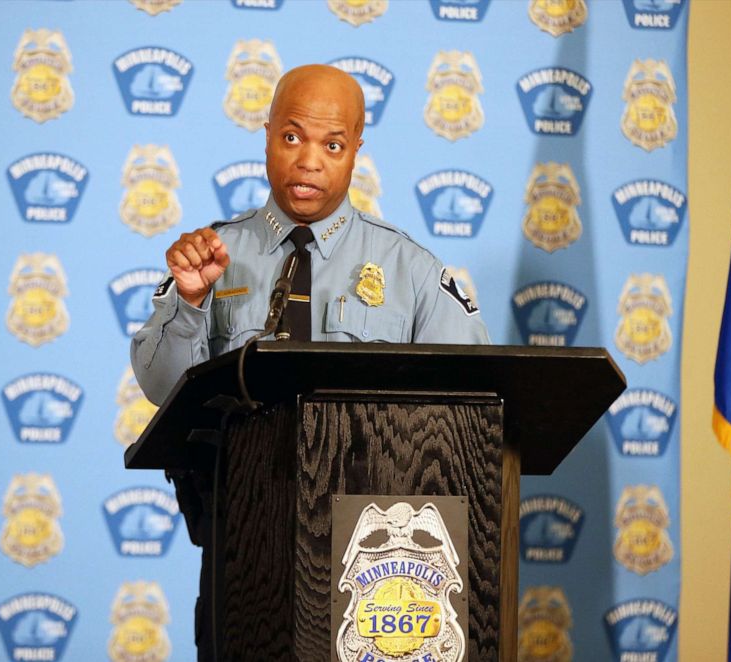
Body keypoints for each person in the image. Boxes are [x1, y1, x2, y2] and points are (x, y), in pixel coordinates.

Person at [129, 63, 490, 660]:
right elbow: (160, 386)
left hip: (382, 564)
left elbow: (471, 408)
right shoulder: (210, 253)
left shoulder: (413, 270)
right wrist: (191, 300)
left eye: (333, 144)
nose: (310, 160)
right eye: (292, 137)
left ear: (356, 151)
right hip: (244, 540)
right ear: (267, 134)